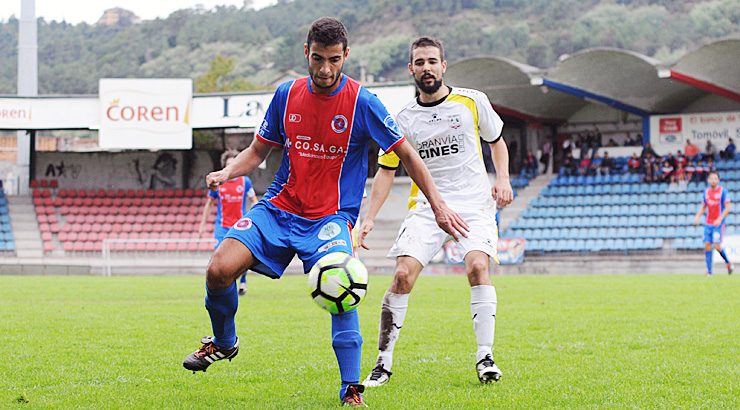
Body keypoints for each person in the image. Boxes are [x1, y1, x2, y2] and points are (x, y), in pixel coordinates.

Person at [180, 18, 466, 407]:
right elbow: (257, 152)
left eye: (334, 59)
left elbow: (406, 155)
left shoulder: (362, 102)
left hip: (330, 219)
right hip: (279, 208)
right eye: (318, 59)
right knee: (218, 269)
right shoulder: (286, 94)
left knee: (341, 290)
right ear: (306, 53)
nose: (326, 69)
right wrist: (227, 171)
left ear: (346, 55)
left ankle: (351, 388)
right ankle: (225, 342)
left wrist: (438, 205)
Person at [358, 36, 513, 388]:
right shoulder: (403, 119)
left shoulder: (472, 101)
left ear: (443, 65)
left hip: (473, 203)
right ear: (410, 69)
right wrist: (370, 217)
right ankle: (383, 362)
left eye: (432, 61)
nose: (426, 67)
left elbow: (497, 141)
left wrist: (502, 178)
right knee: (401, 276)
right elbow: (386, 169)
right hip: (427, 206)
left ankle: (485, 355)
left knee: (477, 266)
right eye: (419, 62)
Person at [198, 150, 258, 295]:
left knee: (243, 257)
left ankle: (243, 282)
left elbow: (254, 200)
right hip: (222, 227)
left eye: (233, 164)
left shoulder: (245, 182)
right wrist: (202, 225)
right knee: (221, 259)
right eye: (228, 165)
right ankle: (228, 285)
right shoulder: (218, 183)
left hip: (240, 226)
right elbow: (209, 204)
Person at [693, 171, 733, 276]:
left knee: (717, 246)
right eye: (711, 178)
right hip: (708, 223)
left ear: (718, 180)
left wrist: (719, 219)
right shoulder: (706, 192)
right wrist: (697, 216)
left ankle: (728, 263)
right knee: (706, 245)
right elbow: (703, 207)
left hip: (718, 224)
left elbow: (728, 208)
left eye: (715, 178)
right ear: (708, 180)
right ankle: (709, 271)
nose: (713, 180)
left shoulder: (723, 192)